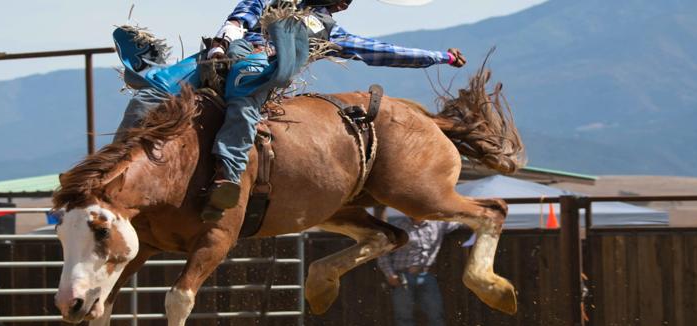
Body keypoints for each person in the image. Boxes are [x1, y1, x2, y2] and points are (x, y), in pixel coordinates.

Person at [116, 1, 468, 221]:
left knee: (243, 104)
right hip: (219, 57)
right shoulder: (275, 3)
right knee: (155, 90)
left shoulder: (331, 32)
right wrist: (221, 44)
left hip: (259, 68)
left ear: (342, 5)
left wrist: (440, 57)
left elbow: (385, 51)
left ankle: (227, 176)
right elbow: (244, 12)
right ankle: (114, 161)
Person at [377, 212, 466, 326]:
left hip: (426, 275)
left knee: (435, 314)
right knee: (404, 316)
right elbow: (382, 253)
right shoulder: (397, 227)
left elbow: (461, 221)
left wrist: (483, 220)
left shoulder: (439, 223)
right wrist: (389, 274)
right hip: (402, 276)